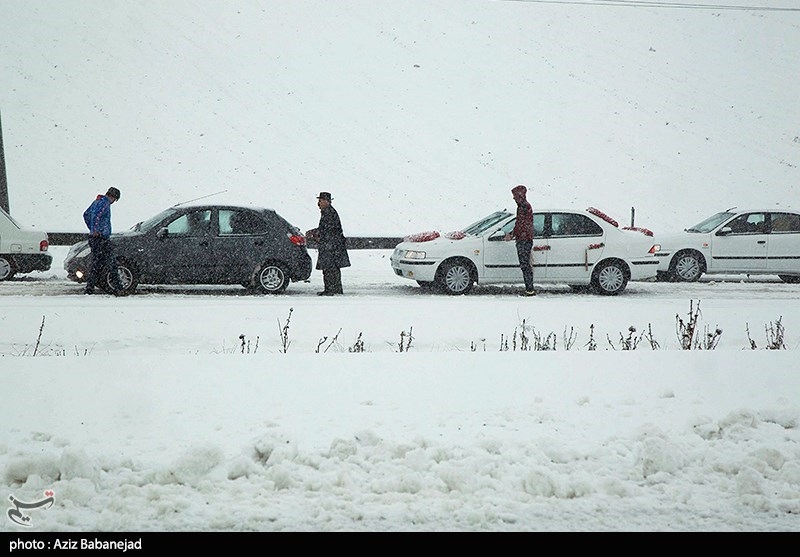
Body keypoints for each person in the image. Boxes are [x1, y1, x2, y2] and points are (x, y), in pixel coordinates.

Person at [306, 191, 350, 296]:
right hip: (332, 246)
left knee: (329, 268)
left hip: (331, 247)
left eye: (320, 201)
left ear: (327, 201)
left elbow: (328, 230)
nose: (318, 203)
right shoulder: (329, 212)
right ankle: (334, 289)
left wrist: (317, 234)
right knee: (332, 269)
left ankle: (331, 290)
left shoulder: (329, 213)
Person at [82, 186, 124, 295]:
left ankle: (89, 288)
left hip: (95, 238)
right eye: (115, 200)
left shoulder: (97, 201)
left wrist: (91, 229)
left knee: (96, 264)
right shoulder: (104, 204)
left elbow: (86, 214)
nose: (114, 202)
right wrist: (96, 230)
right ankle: (118, 287)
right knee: (111, 263)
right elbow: (97, 216)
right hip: (101, 238)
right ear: (113, 197)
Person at [504, 184, 536, 296]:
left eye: (514, 196)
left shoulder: (523, 207)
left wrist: (512, 235)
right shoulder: (525, 206)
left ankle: (530, 289)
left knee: (525, 265)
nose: (513, 198)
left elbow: (520, 224)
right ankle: (529, 288)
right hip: (525, 238)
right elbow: (521, 224)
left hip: (524, 240)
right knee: (526, 265)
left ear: (520, 196)